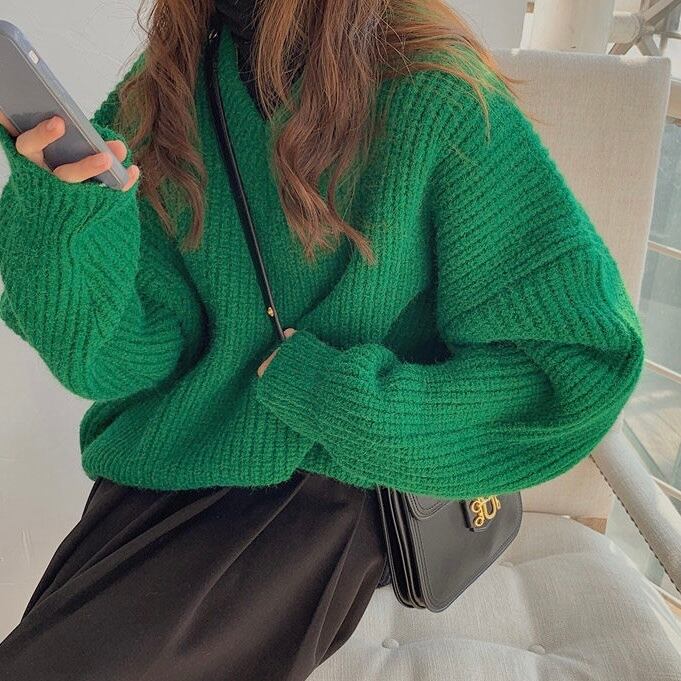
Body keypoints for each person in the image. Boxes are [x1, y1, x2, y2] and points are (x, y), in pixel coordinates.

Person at [0, 0, 645, 679]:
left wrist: (349, 403)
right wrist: (61, 225)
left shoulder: (430, 92)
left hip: (324, 481)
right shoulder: (169, 85)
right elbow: (115, 360)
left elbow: (577, 363)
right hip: (164, 463)